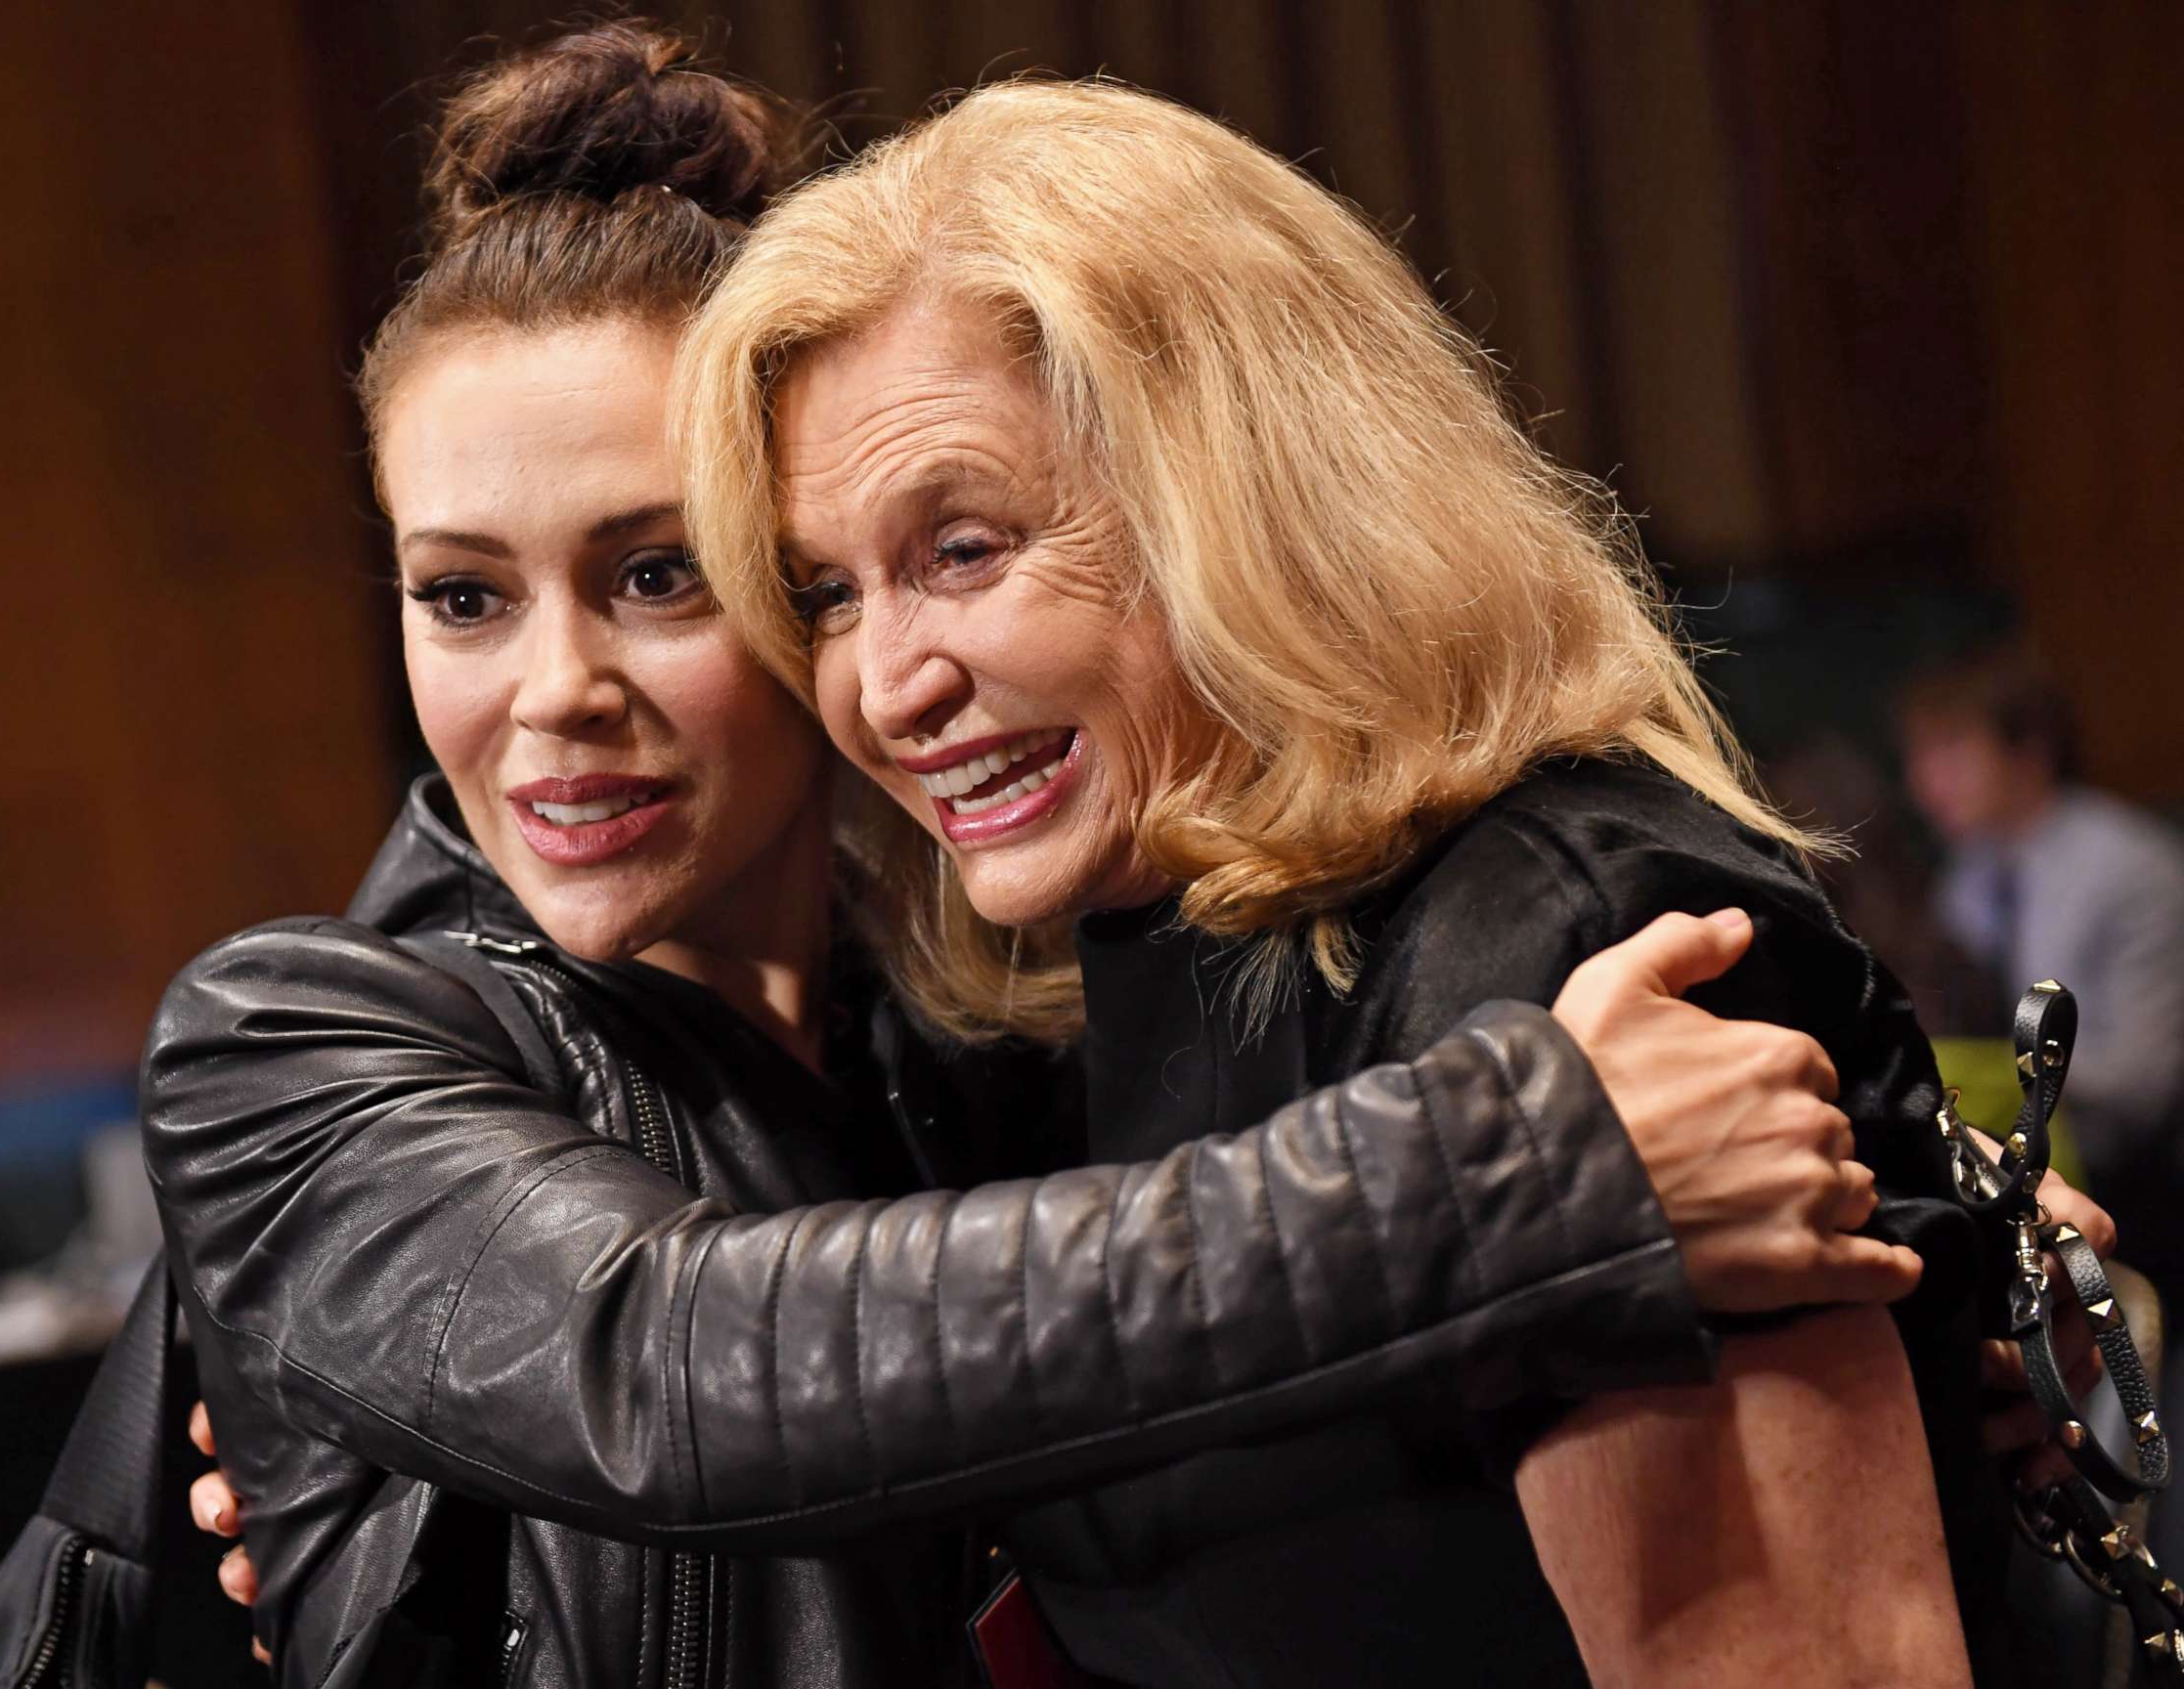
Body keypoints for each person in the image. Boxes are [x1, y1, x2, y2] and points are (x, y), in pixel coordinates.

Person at [144, 27, 1979, 1689]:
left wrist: (1949, 1245)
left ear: (1228, 493)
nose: (554, 693)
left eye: (662, 574)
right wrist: (1529, 1170)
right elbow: (675, 1357)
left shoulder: (1010, 1036)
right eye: (459, 593)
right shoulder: (288, 1040)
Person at [675, 76, 2087, 1687]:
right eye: (827, 591)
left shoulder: (1581, 935)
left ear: (1244, 496)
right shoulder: (1115, 965)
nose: (884, 681)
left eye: (964, 549)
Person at [1902, 647, 2184, 1279]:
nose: (1925, 783)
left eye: (1950, 751)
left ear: (2029, 750)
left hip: (2143, 1184)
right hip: (2035, 1165)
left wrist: (1996, 1071)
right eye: (1919, 758)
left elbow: (2145, 1085)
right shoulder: (1968, 878)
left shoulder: (2132, 869)